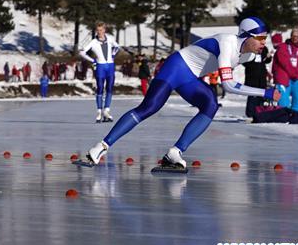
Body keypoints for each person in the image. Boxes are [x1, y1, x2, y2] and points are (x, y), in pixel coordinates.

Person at [82, 17, 280, 170]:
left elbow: (261, 59)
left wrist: (269, 60)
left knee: (210, 105)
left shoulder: (249, 53)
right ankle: (101, 146)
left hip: (190, 78)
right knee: (149, 107)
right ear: (246, 35)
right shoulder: (227, 43)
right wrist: (265, 92)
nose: (264, 42)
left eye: (266, 38)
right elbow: (229, 85)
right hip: (176, 67)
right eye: (261, 38)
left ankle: (174, 152)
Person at [79, 22, 120, 122]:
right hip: (100, 66)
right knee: (100, 88)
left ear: (104, 30)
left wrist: (113, 55)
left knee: (110, 88)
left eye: (101, 30)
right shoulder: (93, 42)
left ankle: (107, 110)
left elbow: (117, 47)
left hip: (110, 66)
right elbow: (82, 52)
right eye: (98, 30)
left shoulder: (109, 39)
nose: (100, 32)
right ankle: (99, 112)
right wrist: (93, 60)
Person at [273, 27, 298, 113]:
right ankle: (284, 115)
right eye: (293, 36)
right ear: (291, 36)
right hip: (286, 77)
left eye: (297, 36)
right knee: (283, 100)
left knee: (297, 99)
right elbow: (283, 62)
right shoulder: (284, 47)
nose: (295, 38)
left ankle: (295, 116)